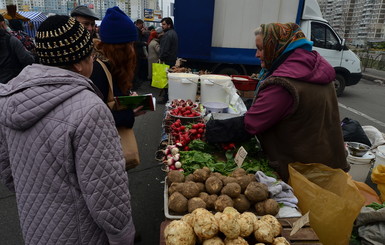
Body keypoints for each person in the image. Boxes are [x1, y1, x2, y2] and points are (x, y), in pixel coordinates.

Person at [0, 15, 135, 244]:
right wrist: (123, 236)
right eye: (91, 55)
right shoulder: (89, 109)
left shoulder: (8, 99)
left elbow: (8, 172)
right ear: (78, 64)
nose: (94, 59)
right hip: (81, 232)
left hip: (35, 227)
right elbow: (107, 193)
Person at [206, 22, 350, 182]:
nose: (257, 55)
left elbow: (250, 125)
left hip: (301, 170)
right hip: (326, 162)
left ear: (276, 47)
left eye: (261, 48)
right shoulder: (313, 67)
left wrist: (210, 131)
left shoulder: (284, 84)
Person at [90, 6, 145, 130]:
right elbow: (93, 120)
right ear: (117, 48)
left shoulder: (114, 65)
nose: (132, 51)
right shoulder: (97, 71)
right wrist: (128, 114)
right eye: (129, 45)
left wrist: (128, 100)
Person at [0, 14, 34, 84]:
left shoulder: (11, 38)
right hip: (10, 83)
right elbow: (27, 59)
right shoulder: (11, 39)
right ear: (2, 23)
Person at [159, 17, 178, 103]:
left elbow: (164, 49)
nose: (162, 26)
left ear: (169, 25)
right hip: (172, 59)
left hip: (167, 61)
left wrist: (161, 58)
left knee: (166, 81)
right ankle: (168, 97)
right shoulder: (174, 33)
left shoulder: (167, 35)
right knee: (170, 81)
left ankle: (166, 98)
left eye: (164, 24)